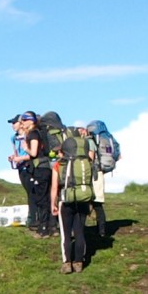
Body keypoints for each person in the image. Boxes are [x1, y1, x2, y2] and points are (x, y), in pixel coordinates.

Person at [41, 111, 92, 273]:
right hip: (83, 199)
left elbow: (54, 187)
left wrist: (53, 204)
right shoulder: (85, 163)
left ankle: (67, 262)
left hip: (65, 200)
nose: (58, 153)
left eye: (60, 151)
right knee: (79, 231)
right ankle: (79, 262)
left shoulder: (59, 165)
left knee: (66, 233)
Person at [7, 112, 48, 236]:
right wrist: (14, 157)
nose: (13, 125)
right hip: (22, 167)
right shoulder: (13, 138)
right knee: (31, 194)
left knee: (35, 195)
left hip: (31, 167)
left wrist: (22, 157)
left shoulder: (31, 135)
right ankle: (35, 220)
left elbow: (33, 153)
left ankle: (37, 221)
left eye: (15, 122)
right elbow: (17, 151)